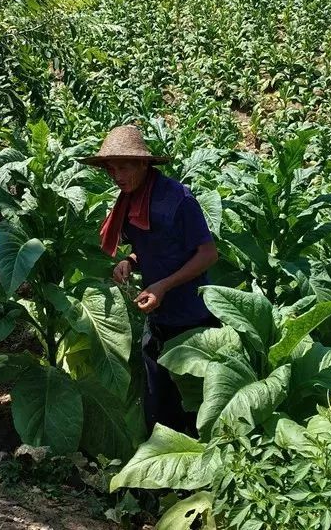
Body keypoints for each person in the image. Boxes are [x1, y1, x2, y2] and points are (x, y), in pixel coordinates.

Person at [80, 125, 218, 434]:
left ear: (144, 164)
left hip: (191, 318)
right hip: (157, 316)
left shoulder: (178, 200)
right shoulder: (131, 199)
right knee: (158, 403)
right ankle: (158, 474)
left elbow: (208, 254)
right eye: (111, 168)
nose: (116, 175)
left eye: (124, 166)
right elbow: (154, 248)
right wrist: (129, 261)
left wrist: (163, 285)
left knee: (191, 407)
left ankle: (195, 476)